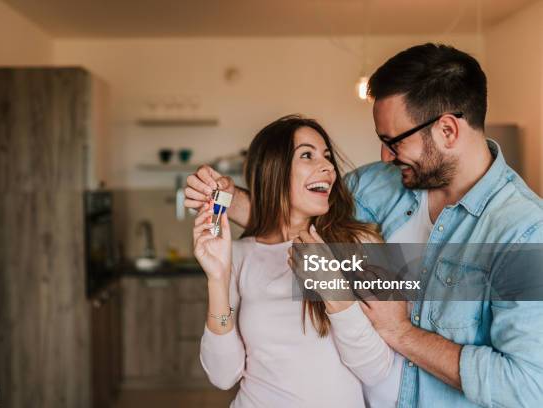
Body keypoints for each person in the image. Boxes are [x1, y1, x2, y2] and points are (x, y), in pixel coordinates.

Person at [186, 43, 543, 408]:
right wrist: (225, 198)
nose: (385, 156)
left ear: (448, 131)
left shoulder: (524, 231)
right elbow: (296, 218)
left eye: (394, 141)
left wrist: (402, 332)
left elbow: (529, 385)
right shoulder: (382, 184)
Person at [193, 115, 394, 407]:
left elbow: (377, 370)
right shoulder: (239, 254)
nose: (327, 167)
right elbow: (223, 376)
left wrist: (334, 290)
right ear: (274, 170)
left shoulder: (359, 245)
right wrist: (217, 279)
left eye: (327, 157)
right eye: (307, 155)